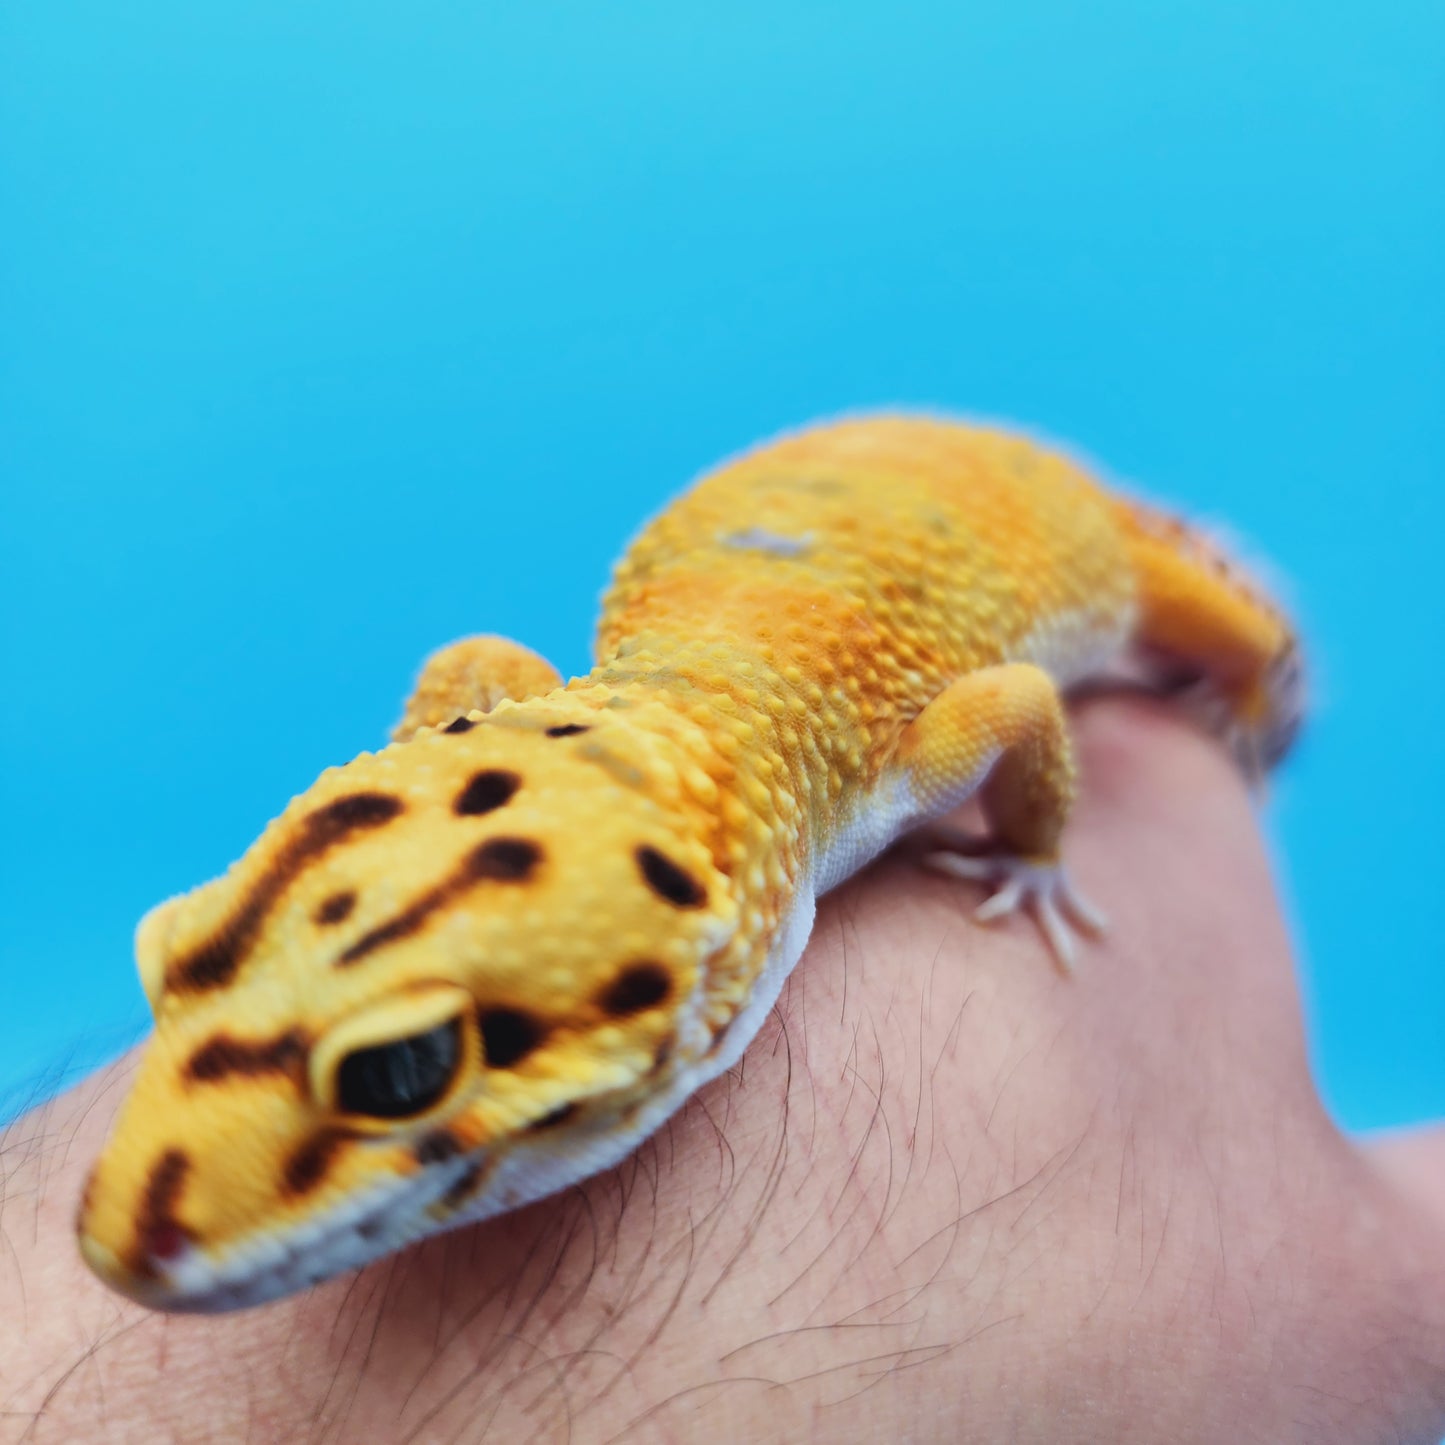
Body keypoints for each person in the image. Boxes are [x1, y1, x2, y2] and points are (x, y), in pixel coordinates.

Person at [4, 698, 1444, 1443]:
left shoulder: (886, 758)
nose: (131, 1227)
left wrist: (1033, 854)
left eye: (403, 1070)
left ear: (701, 935)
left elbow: (1011, 703)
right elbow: (475, 679)